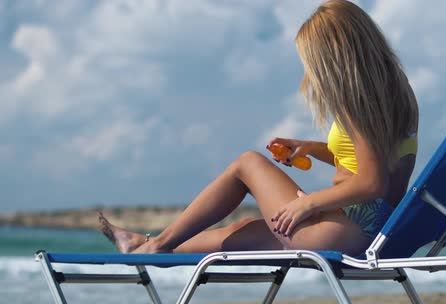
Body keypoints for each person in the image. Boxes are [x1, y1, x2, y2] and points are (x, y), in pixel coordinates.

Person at [99, 0, 418, 257]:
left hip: (339, 234)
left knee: (247, 164)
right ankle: (144, 243)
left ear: (333, 58)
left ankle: (156, 245)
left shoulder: (356, 100)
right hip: (368, 232)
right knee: (244, 234)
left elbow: (372, 182)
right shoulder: (395, 92)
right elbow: (369, 159)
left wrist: (308, 202)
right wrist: (311, 148)